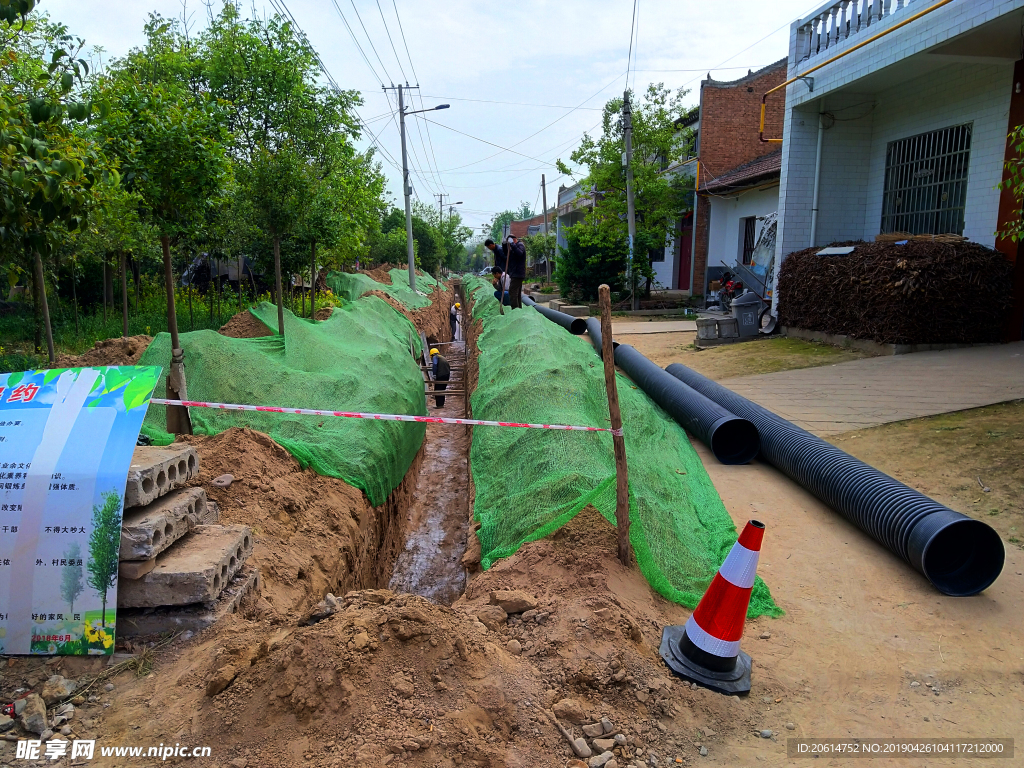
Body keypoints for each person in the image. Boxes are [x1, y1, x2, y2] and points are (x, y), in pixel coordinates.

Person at [484, 235, 526, 309]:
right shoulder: (504, 249)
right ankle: (518, 309)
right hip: (513, 273)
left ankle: (516, 310)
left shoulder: (519, 245)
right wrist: (504, 245)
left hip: (517, 273)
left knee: (513, 292)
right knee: (516, 293)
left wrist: (512, 244)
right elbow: (507, 253)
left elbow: (518, 254)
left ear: (514, 240)